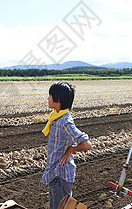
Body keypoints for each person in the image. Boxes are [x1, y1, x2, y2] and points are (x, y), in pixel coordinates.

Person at [41, 81, 92, 209]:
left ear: (57, 100)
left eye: (50, 95)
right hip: (55, 173)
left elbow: (87, 145)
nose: (48, 98)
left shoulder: (65, 121)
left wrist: (71, 149)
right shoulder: (56, 117)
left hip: (60, 175)